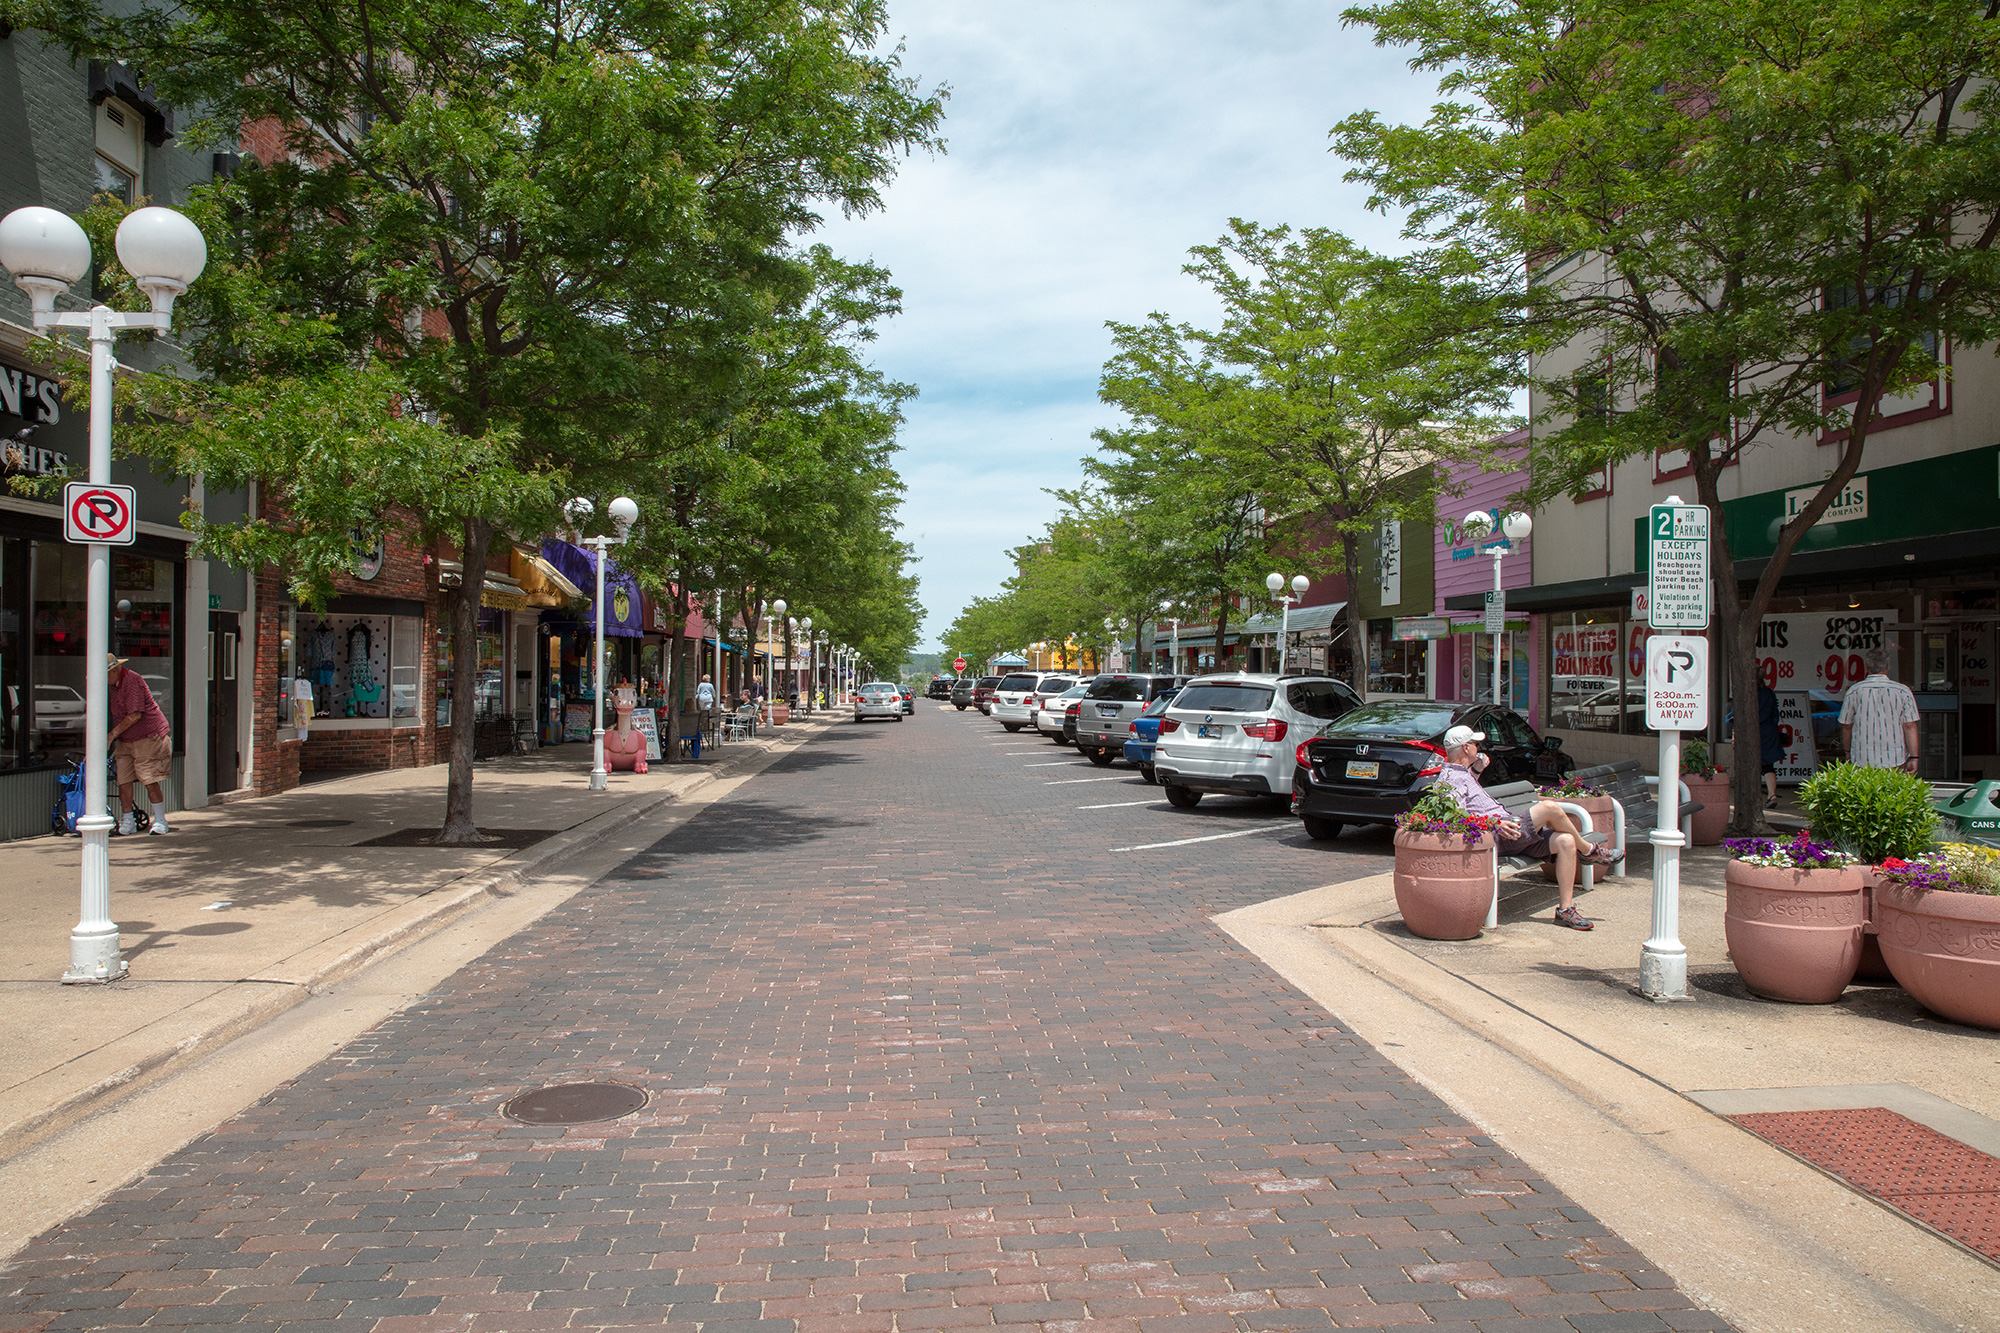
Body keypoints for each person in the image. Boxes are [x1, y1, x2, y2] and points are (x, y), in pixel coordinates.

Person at [1433, 724, 1620, 931]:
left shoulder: (1462, 773)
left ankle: (1565, 910)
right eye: (1476, 744)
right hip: (1501, 835)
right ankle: (1588, 850)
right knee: (1549, 808)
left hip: (1511, 832)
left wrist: (1477, 770)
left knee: (1566, 841)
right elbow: (1457, 817)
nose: (1479, 747)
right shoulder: (1450, 780)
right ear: (1466, 748)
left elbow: (1470, 800)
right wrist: (1493, 822)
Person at [106, 653, 170, 835]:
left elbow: (135, 715)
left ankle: (160, 820)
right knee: (123, 779)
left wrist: (111, 735)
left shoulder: (132, 680)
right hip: (126, 738)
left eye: (107, 674)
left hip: (147, 735)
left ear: (116, 670)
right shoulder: (112, 685)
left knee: (149, 778)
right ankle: (128, 820)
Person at [1840, 645, 1920, 772]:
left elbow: (1847, 726)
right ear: (1888, 667)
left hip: (1862, 757)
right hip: (1895, 758)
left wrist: (1848, 752)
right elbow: (1909, 725)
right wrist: (1914, 757)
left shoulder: (1854, 691)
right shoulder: (1902, 691)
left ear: (1867, 667)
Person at [1757, 679, 1783, 808]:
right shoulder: (1769, 693)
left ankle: (1752, 797)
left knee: (1749, 765)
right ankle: (1772, 794)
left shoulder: (1747, 693)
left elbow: (1732, 716)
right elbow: (1775, 714)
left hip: (1753, 732)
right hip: (1769, 731)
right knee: (1768, 766)